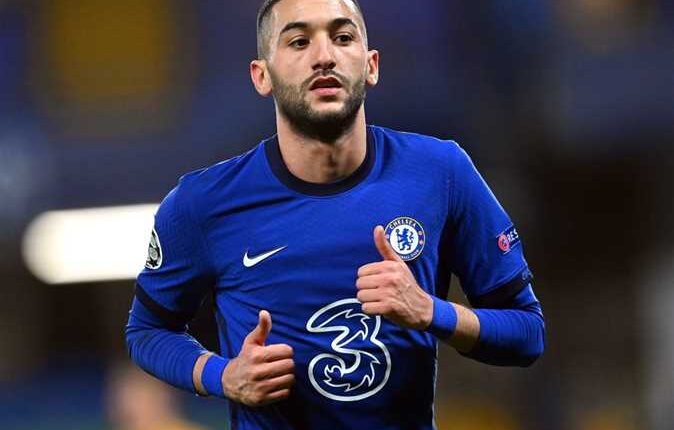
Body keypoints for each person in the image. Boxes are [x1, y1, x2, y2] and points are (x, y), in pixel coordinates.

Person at [126, 0, 545, 428]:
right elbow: (147, 331)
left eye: (342, 37)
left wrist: (431, 311)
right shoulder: (203, 203)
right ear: (262, 76)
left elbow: (527, 333)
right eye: (299, 41)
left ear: (371, 65)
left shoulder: (442, 172)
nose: (324, 55)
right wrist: (222, 375)